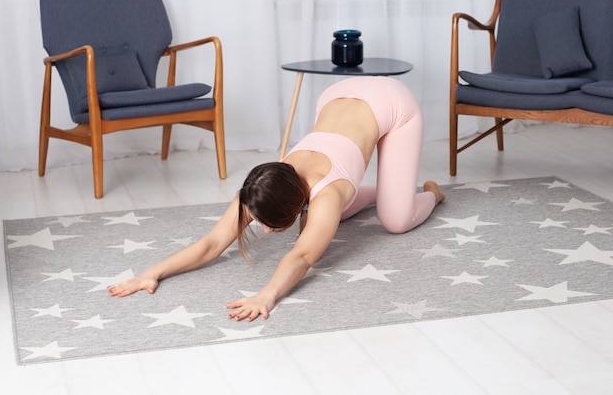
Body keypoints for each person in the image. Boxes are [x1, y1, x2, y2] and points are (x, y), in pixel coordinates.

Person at [107, 76, 445, 322]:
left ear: (296, 203)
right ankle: (381, 195)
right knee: (324, 222)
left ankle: (432, 192)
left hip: (391, 101)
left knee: (395, 220)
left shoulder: (325, 195)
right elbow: (212, 243)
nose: (266, 232)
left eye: (270, 224)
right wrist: (151, 273)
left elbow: (301, 256)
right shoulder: (263, 185)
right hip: (336, 95)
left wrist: (266, 295)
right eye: (261, 222)